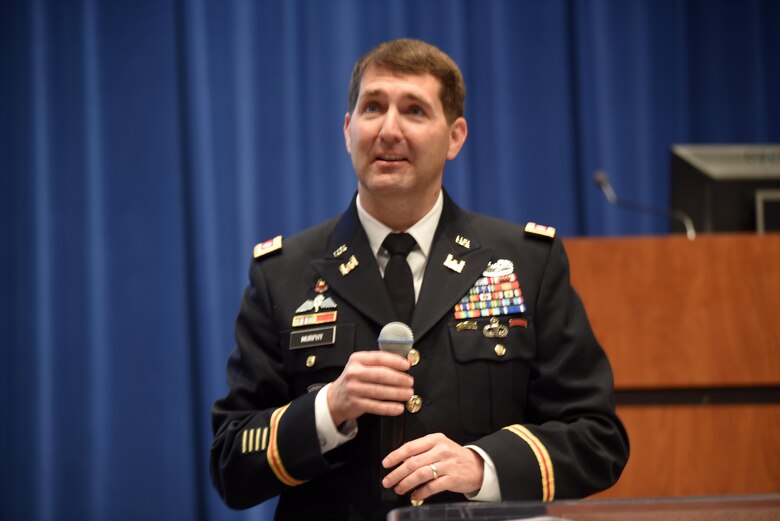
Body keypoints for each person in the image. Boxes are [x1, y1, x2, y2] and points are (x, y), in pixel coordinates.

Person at [210, 38, 629, 520]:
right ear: (348, 131)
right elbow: (230, 464)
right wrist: (329, 408)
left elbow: (598, 437)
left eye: (414, 111)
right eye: (372, 108)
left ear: (455, 136)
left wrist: (482, 466)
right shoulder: (283, 274)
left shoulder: (526, 263)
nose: (389, 129)